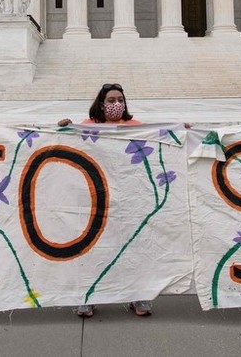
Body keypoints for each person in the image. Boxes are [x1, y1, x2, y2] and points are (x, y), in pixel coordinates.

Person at [57, 83, 151, 319]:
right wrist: (63, 129)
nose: (116, 104)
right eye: (111, 100)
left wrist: (182, 130)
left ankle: (138, 295)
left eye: (120, 99)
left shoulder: (136, 127)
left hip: (130, 197)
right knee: (93, 249)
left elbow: (163, 138)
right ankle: (87, 297)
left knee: (133, 247)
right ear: (101, 103)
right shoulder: (87, 127)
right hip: (96, 198)